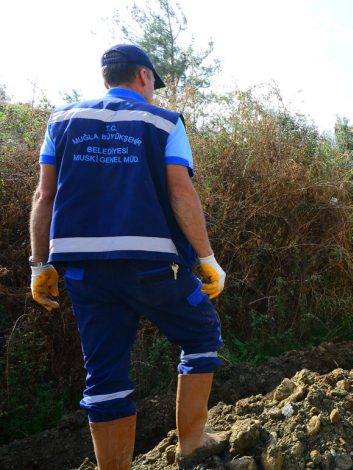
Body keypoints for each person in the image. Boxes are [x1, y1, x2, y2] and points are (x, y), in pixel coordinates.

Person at [29, 44, 227, 469]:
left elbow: (44, 196)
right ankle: (192, 445)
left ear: (106, 80)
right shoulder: (164, 123)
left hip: (84, 274)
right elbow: (180, 191)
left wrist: (40, 264)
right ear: (144, 77)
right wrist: (207, 259)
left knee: (104, 375)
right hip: (152, 266)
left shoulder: (61, 121)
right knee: (201, 335)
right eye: (154, 81)